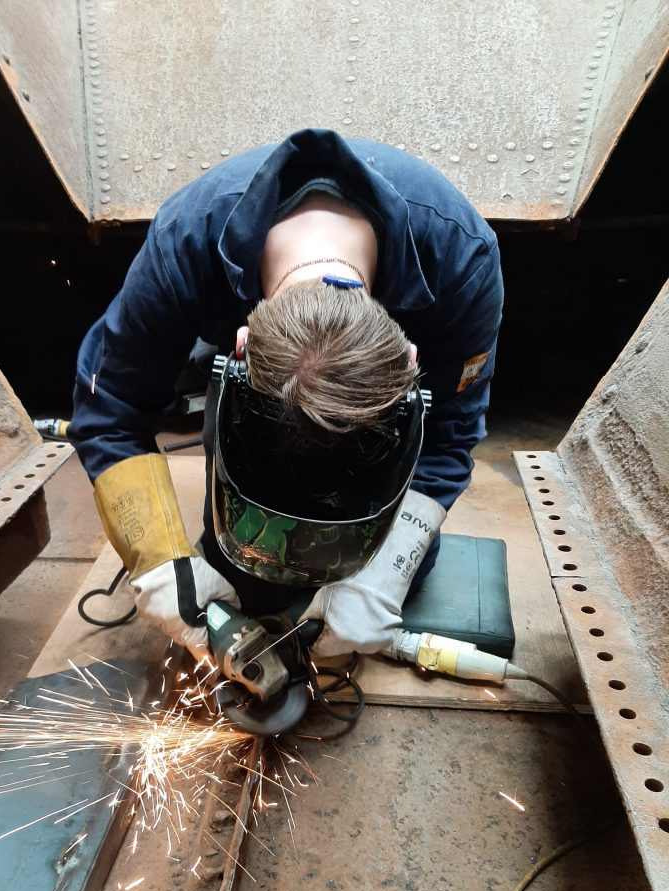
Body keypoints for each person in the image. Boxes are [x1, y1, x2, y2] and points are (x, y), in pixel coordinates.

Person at [69, 128, 503, 660]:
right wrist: (159, 562)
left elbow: (451, 434)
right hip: (246, 407)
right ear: (241, 347)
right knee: (245, 571)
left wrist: (385, 574)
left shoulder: (461, 260)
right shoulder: (184, 247)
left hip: (385, 437)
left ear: (411, 364)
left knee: (397, 573)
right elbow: (110, 410)